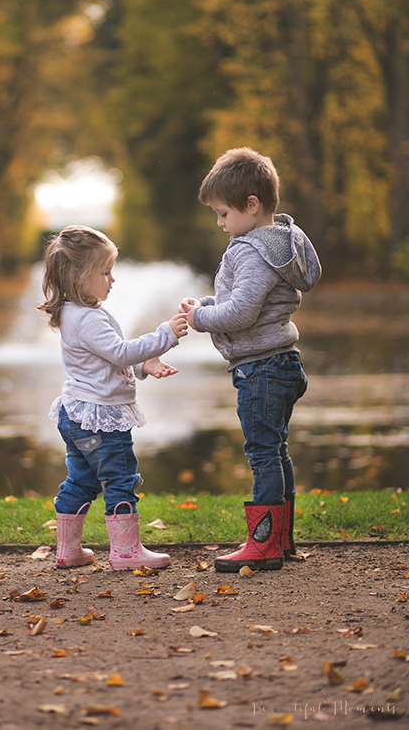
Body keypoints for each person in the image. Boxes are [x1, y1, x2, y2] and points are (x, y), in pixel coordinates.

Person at [180, 148, 321, 572]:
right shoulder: (281, 241)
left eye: (223, 213)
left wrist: (199, 318)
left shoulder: (250, 249)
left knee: (263, 454)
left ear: (252, 205)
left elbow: (240, 313)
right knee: (276, 451)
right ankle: (281, 541)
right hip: (282, 363)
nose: (221, 223)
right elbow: (245, 300)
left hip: (260, 369)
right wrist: (206, 304)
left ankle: (263, 546)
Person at [37, 225, 188, 571]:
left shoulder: (76, 314)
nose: (112, 280)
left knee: (81, 480)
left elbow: (104, 364)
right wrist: (164, 335)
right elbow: (120, 352)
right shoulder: (87, 318)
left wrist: (144, 365)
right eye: (104, 272)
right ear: (77, 277)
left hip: (77, 415)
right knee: (121, 480)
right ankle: (125, 552)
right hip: (101, 420)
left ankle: (68, 551)